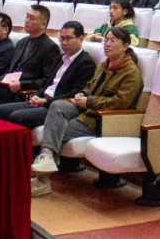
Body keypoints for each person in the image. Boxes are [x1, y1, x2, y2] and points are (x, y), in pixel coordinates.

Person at [31, 27, 142, 181]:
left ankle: (43, 178)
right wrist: (82, 94)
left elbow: (121, 102)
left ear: (125, 46)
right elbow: (89, 86)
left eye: (113, 41)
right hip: (86, 109)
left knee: (55, 132)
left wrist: (88, 102)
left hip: (101, 119)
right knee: (57, 105)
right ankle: (46, 159)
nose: (107, 44)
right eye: (106, 40)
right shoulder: (103, 66)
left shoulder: (131, 72)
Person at [0, 21, 96, 130]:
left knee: (16, 116)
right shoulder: (60, 59)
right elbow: (46, 83)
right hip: (42, 99)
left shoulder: (85, 63)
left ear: (81, 39)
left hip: (55, 107)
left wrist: (45, 102)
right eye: (62, 38)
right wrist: (36, 95)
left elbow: (75, 93)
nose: (64, 43)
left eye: (68, 38)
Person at [0, 4, 62, 112]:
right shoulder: (22, 42)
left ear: (43, 24)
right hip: (7, 86)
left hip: (21, 92)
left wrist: (22, 85)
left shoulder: (49, 47)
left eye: (32, 18)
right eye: (27, 16)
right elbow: (11, 69)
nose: (27, 21)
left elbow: (46, 80)